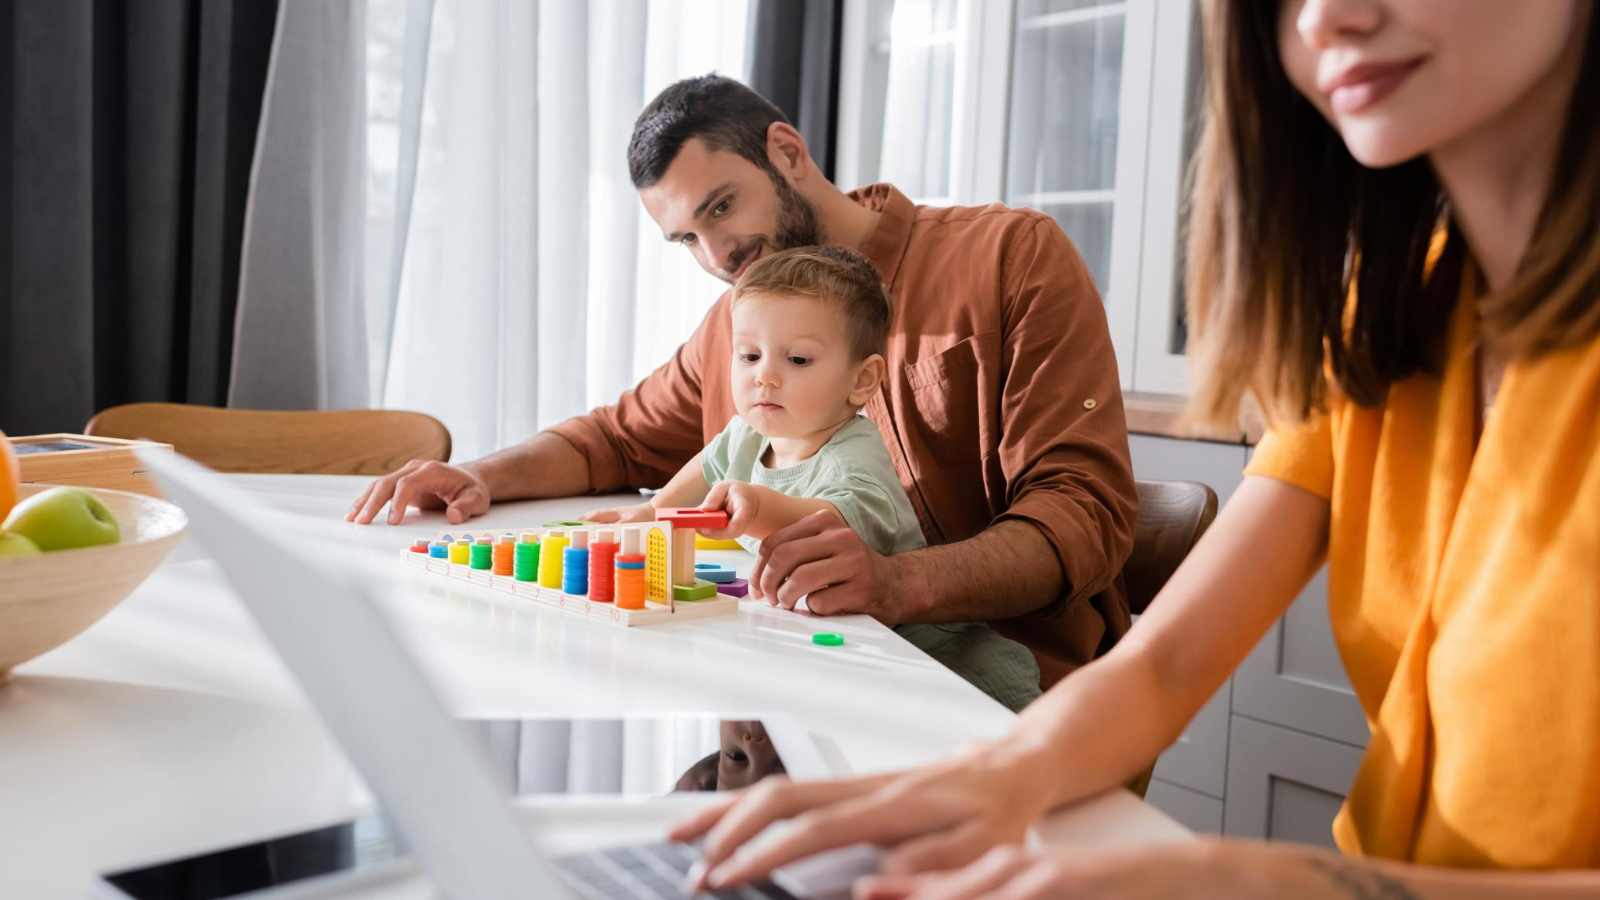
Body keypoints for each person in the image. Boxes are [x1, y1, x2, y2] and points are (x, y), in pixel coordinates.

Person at [668, 1, 1600, 897]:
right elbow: (1162, 667)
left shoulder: (1007, 253)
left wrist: (1262, 881)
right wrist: (982, 779)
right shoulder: (1381, 330)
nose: (1323, 17)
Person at [347, 74, 1136, 689]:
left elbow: (1085, 512)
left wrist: (896, 584)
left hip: (1002, 692)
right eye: (687, 236)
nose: (716, 255)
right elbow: (615, 440)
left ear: (787, 152)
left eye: (722, 207)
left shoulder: (1007, 257)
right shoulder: (740, 322)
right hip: (808, 674)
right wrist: (475, 476)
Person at [583, 245, 1040, 712]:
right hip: (851, 659)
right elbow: (705, 468)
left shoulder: (853, 456)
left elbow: (832, 527)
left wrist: (759, 508)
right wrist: (647, 512)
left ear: (861, 381)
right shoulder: (746, 434)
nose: (765, 377)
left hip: (945, 664)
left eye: (798, 360)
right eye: (749, 355)